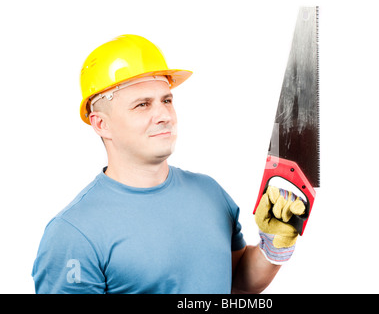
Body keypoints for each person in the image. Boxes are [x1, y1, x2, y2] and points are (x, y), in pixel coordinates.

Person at [32, 34, 305, 294]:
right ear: (101, 124)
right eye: (142, 105)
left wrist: (273, 246)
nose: (164, 115)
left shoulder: (210, 193)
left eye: (166, 100)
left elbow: (238, 282)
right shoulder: (73, 234)